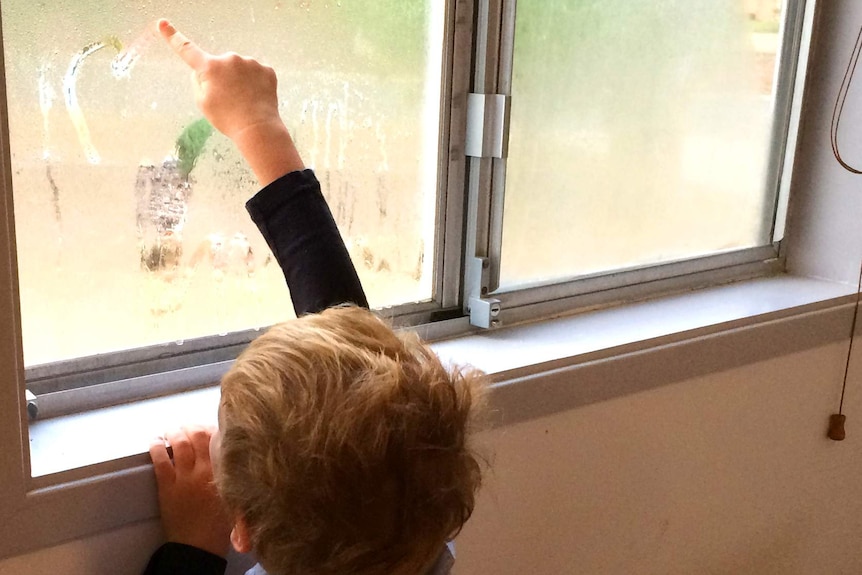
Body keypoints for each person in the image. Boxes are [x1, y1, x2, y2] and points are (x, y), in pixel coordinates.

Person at [142, 20, 487, 575]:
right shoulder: (420, 554)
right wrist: (259, 127)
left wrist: (186, 550)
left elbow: (352, 350)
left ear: (242, 531)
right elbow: (351, 354)